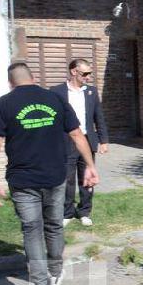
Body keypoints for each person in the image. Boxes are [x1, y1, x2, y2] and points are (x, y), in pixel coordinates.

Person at [0, 63, 101, 285]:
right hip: (55, 176)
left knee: (32, 230)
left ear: (10, 83)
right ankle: (56, 273)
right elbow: (77, 134)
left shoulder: (2, 104)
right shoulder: (55, 99)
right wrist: (90, 165)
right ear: (34, 78)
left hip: (22, 180)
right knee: (54, 225)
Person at [50, 59, 109, 228]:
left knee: (87, 177)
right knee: (67, 178)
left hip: (87, 140)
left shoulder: (91, 91)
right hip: (66, 141)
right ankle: (67, 212)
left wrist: (103, 140)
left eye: (90, 73)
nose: (88, 77)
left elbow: (99, 117)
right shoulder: (57, 91)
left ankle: (84, 212)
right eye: (85, 74)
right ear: (74, 72)